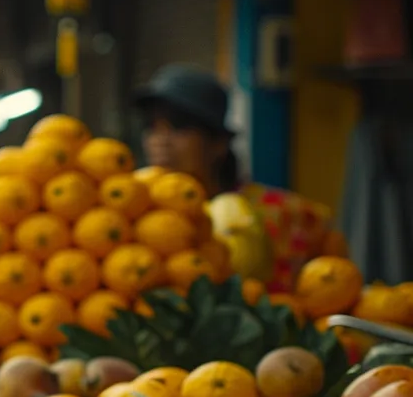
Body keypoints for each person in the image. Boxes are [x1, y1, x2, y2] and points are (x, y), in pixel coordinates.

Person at [135, 64, 345, 291]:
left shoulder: (283, 214)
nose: (160, 141)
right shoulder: (138, 217)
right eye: (152, 128)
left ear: (218, 144)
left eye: (178, 128)